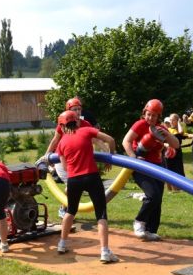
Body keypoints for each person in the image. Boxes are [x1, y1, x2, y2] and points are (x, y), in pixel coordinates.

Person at [55, 110, 119, 263]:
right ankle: (104, 251)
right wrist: (110, 157)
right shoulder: (86, 130)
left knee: (70, 211)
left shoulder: (61, 142)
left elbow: (64, 167)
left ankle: (62, 244)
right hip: (91, 176)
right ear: (76, 121)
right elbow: (110, 139)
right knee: (101, 214)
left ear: (62, 126)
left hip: (73, 180)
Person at [122, 99, 180, 241]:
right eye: (148, 114)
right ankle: (139, 221)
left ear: (158, 116)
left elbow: (176, 144)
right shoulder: (140, 124)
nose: (151, 118)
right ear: (144, 113)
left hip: (157, 166)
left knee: (158, 199)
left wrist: (167, 135)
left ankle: (150, 230)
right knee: (153, 195)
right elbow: (126, 141)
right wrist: (134, 158)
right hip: (141, 166)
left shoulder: (161, 128)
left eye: (154, 115)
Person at [45, 97, 93, 218]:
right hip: (62, 159)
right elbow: (55, 140)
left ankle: (67, 209)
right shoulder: (63, 123)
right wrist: (47, 155)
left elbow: (96, 140)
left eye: (79, 109)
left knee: (75, 187)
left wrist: (108, 153)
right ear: (68, 110)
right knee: (71, 186)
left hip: (77, 160)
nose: (77, 112)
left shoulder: (85, 124)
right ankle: (65, 208)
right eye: (75, 109)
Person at [164, 113, 187, 191]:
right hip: (169, 152)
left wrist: (178, 123)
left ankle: (180, 189)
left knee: (179, 170)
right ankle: (170, 190)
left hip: (177, 153)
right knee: (168, 171)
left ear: (177, 120)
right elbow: (161, 140)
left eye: (173, 120)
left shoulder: (178, 130)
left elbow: (181, 132)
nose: (171, 121)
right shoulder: (167, 130)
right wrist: (166, 144)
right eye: (170, 119)